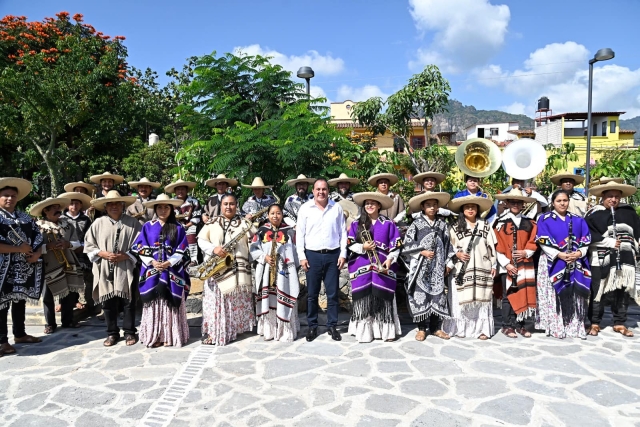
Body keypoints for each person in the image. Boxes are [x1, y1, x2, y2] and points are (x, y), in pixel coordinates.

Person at [132, 194, 191, 347]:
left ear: (171, 209)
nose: (163, 210)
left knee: (169, 303)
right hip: (152, 271)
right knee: (154, 303)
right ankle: (155, 335)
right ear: (155, 209)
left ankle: (169, 336)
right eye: (159, 207)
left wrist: (169, 262)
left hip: (172, 272)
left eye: (166, 207)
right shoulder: (147, 226)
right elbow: (139, 246)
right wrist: (152, 261)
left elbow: (183, 249)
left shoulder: (178, 227)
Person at [84, 190, 142, 346]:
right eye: (110, 204)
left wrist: (126, 255)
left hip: (126, 266)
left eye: (117, 203)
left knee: (128, 301)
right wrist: (103, 253)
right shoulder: (98, 223)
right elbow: (88, 245)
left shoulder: (133, 223)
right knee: (108, 301)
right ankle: (112, 333)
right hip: (104, 266)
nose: (114, 206)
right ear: (105, 206)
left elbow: (141, 245)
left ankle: (130, 332)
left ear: (123, 205)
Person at [585, 180, 640, 338]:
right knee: (598, 291)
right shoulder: (594, 214)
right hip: (600, 258)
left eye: (617, 196)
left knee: (621, 291)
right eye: (610, 196)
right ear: (603, 196)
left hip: (624, 259)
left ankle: (619, 322)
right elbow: (587, 235)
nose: (613, 199)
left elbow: (637, 230)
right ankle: (595, 322)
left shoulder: (629, 212)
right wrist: (607, 242)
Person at [198, 194, 255, 345]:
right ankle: (213, 332)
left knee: (232, 303)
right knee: (214, 302)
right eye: (225, 204)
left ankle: (231, 331)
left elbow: (254, 242)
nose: (228, 207)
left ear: (237, 205)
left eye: (232, 204)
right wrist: (213, 249)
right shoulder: (212, 222)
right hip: (216, 268)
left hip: (236, 271)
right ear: (221, 205)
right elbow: (201, 240)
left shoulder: (244, 223)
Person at [535, 190, 592, 339]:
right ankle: (555, 326)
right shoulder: (544, 219)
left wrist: (579, 253)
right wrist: (559, 254)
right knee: (554, 294)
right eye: (559, 200)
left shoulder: (578, 220)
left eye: (565, 200)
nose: (562, 203)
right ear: (552, 202)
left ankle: (574, 326)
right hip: (552, 261)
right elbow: (542, 241)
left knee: (573, 295)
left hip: (574, 262)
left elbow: (586, 240)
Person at [347, 192, 402, 343]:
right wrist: (363, 246)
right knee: (365, 299)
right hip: (363, 266)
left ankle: (386, 331)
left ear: (379, 205)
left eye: (373, 203)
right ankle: (365, 333)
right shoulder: (357, 223)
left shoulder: (388, 223)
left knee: (383, 298)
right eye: (367, 203)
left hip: (383, 266)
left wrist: (391, 259)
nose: (369, 205)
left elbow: (396, 245)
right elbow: (350, 244)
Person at [296, 178, 347, 342]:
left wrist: (343, 254)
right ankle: (312, 326)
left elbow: (343, 232)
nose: (321, 192)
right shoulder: (305, 209)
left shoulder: (336, 208)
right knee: (312, 294)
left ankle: (332, 326)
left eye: (324, 189)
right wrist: (302, 256)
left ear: (328, 191)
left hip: (333, 255)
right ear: (313, 191)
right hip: (312, 256)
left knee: (332, 294)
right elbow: (300, 235)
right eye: (318, 189)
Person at [442, 195, 497, 340]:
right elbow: (448, 247)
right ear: (462, 209)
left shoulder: (485, 225)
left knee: (481, 299)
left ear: (478, 209)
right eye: (467, 207)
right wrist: (457, 254)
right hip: (461, 270)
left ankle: (482, 330)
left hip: (482, 266)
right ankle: (459, 329)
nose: (470, 209)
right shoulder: (454, 227)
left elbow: (491, 246)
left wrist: (494, 264)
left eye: (473, 206)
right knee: (460, 299)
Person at [0, 178, 44, 356]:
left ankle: (20, 334)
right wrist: (18, 248)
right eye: (5, 196)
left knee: (20, 300)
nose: (10, 199)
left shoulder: (25, 218)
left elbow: (38, 237)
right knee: (1, 304)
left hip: (23, 267)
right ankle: (2, 341)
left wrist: (37, 254)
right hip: (2, 269)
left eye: (13, 196)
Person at [402, 191, 454, 341]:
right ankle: (421, 328)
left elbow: (448, 245)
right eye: (428, 205)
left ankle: (436, 327)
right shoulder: (416, 224)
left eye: (434, 205)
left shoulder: (443, 225)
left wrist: (448, 263)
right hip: (421, 268)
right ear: (423, 207)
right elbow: (407, 245)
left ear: (438, 207)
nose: (432, 208)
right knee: (421, 296)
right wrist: (421, 251)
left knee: (438, 296)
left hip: (437, 266)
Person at [30, 197, 85, 334]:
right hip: (47, 265)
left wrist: (68, 244)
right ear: (45, 211)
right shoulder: (37, 227)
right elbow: (32, 248)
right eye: (53, 208)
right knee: (47, 295)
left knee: (68, 293)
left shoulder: (67, 224)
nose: (57, 210)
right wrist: (48, 246)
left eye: (58, 207)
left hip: (67, 262)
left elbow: (78, 243)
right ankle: (50, 324)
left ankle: (67, 320)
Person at [250, 204, 300, 341]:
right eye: (272, 213)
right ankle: (270, 330)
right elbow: (253, 249)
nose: (275, 216)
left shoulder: (289, 231)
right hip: (267, 272)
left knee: (283, 296)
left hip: (284, 273)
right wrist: (264, 257)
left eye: (278, 213)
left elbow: (295, 252)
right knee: (269, 300)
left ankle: (285, 331)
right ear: (267, 215)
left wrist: (285, 260)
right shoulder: (261, 231)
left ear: (282, 215)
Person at [493, 188, 538, 338]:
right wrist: (506, 264)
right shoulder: (499, 223)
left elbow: (533, 241)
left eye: (519, 202)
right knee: (508, 296)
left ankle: (521, 325)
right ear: (506, 203)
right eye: (512, 202)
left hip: (525, 264)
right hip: (508, 265)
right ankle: (507, 325)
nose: (515, 204)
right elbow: (496, 245)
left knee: (524, 293)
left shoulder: (530, 222)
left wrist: (526, 252)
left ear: (523, 204)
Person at [59, 191, 94, 313]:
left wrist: (83, 246)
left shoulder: (86, 220)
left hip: (81, 251)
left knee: (81, 278)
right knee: (64, 277)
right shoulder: (61, 219)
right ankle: (61, 302)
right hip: (64, 252)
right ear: (68, 205)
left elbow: (89, 236)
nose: (74, 206)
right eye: (71, 203)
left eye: (77, 204)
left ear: (80, 205)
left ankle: (82, 300)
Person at [165, 179, 202, 265]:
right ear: (175, 191)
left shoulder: (194, 201)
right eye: (178, 189)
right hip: (174, 226)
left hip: (189, 225)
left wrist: (186, 226)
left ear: (186, 190)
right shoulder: (170, 203)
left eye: (182, 189)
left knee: (191, 235)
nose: (180, 191)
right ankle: (173, 259)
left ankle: (193, 259)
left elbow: (196, 218)